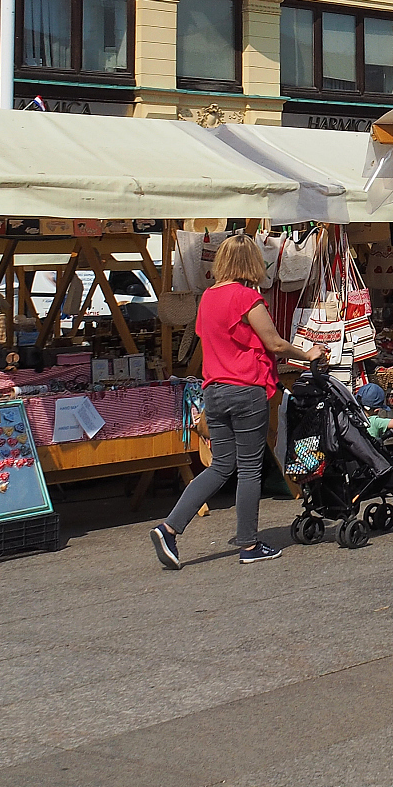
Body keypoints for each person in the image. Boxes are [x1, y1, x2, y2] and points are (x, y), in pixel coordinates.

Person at [151, 236, 322, 569]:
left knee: (220, 467)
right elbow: (274, 343)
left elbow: (208, 338)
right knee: (249, 469)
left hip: (214, 391)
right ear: (252, 262)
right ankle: (249, 544)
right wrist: (308, 354)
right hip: (245, 389)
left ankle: (169, 527)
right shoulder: (246, 297)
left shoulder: (208, 298)